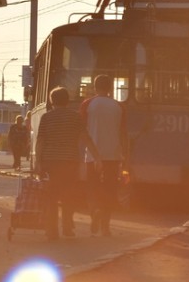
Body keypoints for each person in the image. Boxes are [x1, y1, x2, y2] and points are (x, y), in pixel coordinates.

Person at [35, 86, 101, 240]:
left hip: (50, 161)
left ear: (52, 101)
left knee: (51, 196)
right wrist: (97, 157)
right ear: (67, 100)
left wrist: (38, 161)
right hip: (70, 161)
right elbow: (86, 137)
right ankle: (67, 227)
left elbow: (40, 141)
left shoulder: (47, 117)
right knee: (68, 195)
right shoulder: (75, 117)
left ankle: (52, 230)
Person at [80, 74, 127, 236]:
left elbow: (82, 128)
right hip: (113, 155)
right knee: (110, 190)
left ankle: (95, 212)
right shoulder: (118, 107)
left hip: (93, 155)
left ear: (95, 87)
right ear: (110, 88)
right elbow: (122, 132)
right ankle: (105, 227)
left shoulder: (88, 104)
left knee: (92, 188)